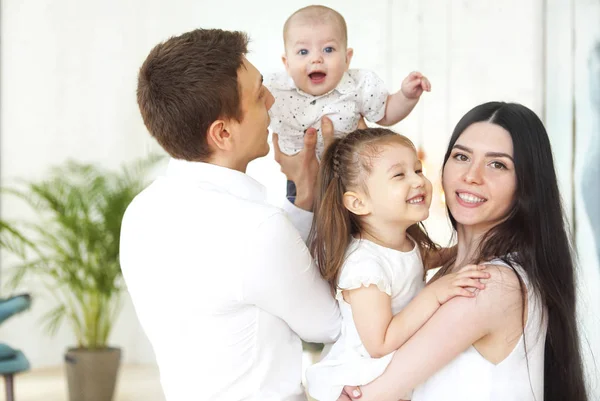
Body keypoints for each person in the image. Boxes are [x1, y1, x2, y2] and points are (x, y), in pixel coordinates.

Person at [119, 28, 341, 401]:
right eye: (258, 95)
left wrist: (303, 198)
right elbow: (328, 324)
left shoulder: (141, 211)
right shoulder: (255, 229)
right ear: (222, 133)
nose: (271, 99)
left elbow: (249, 282)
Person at [340, 102, 588, 401]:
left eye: (498, 164)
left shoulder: (489, 284)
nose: (472, 175)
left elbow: (369, 396)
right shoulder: (447, 274)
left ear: (527, 184)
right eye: (461, 156)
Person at [303, 128, 490, 401]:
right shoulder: (365, 267)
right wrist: (435, 294)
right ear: (358, 202)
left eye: (418, 170)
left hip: (394, 372)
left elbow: (420, 261)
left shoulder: (401, 244)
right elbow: (379, 343)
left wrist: (471, 246)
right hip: (362, 379)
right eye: (399, 175)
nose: (418, 181)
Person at [266, 5, 431, 199]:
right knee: (301, 226)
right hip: (299, 178)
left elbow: (386, 113)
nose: (316, 59)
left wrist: (406, 96)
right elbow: (250, 116)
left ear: (347, 58)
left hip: (348, 177)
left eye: (328, 49)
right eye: (303, 52)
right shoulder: (275, 90)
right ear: (287, 63)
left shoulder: (357, 86)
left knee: (352, 224)